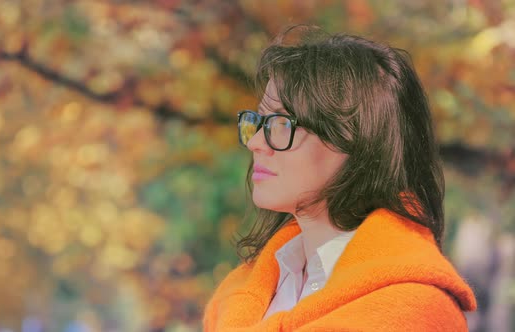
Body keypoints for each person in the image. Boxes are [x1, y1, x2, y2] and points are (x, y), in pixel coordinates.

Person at [203, 26, 477, 331]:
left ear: (355, 140)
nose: (256, 143)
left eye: (281, 123)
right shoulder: (237, 295)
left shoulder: (417, 311)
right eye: (258, 121)